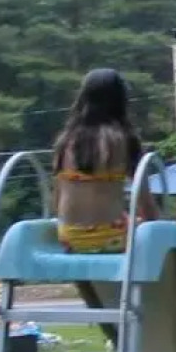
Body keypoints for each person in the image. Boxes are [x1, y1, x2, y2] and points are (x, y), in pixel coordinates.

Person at [52, 68, 156, 253]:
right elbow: (146, 204)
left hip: (69, 236)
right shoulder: (124, 139)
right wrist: (157, 225)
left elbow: (57, 199)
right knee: (150, 229)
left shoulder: (65, 140)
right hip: (110, 238)